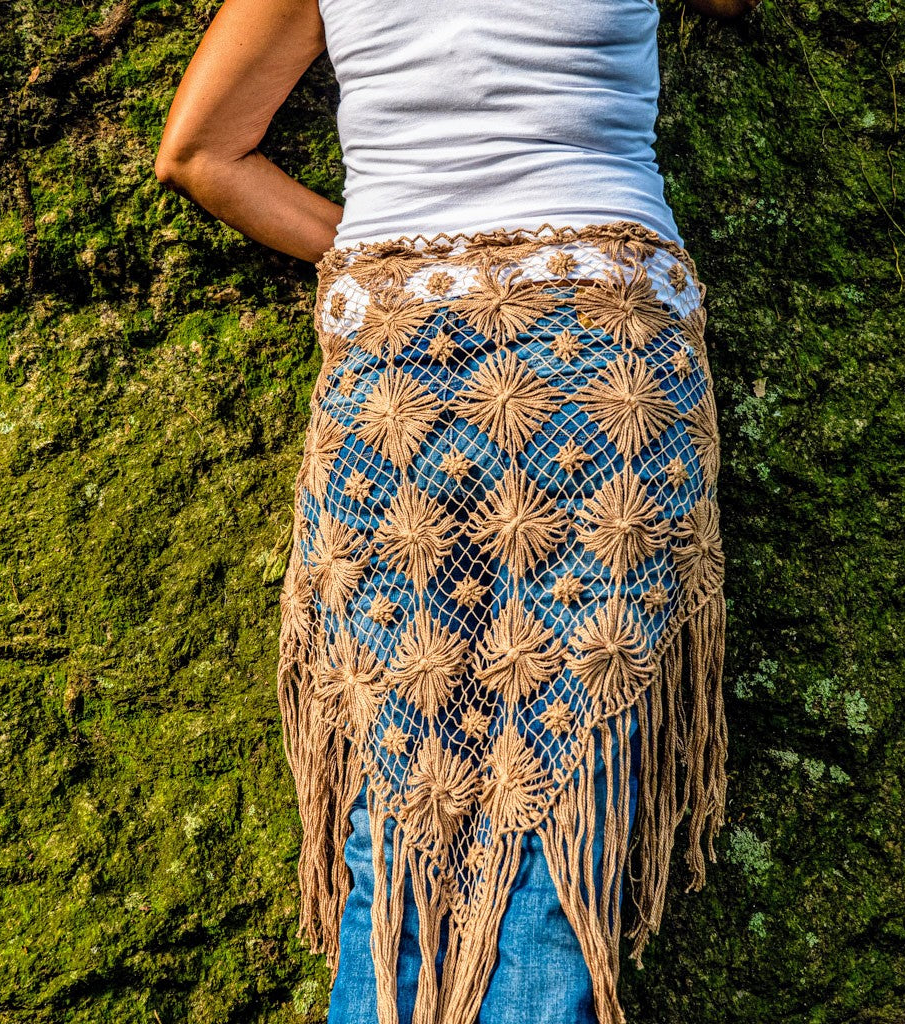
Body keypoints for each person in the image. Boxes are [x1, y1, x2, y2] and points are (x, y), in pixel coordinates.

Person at [156, 1, 755, 1022]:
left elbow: (201, 153)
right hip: (602, 350)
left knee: (400, 804)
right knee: (563, 787)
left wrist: (405, 266)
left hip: (399, 360)